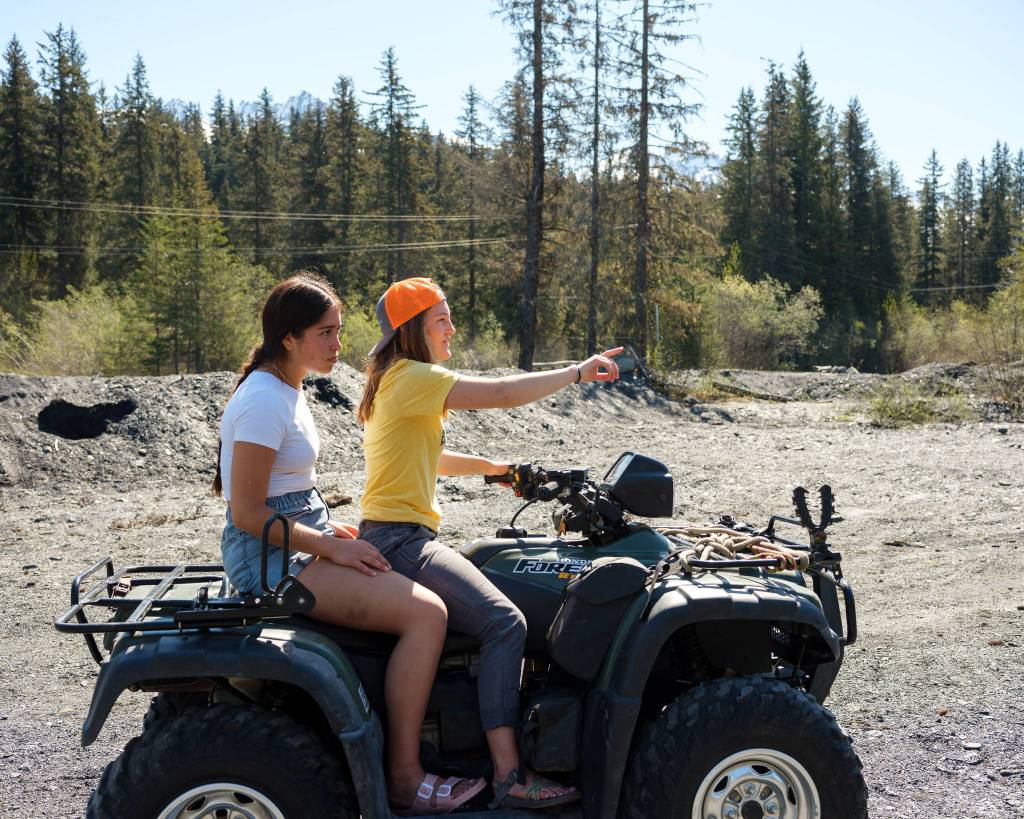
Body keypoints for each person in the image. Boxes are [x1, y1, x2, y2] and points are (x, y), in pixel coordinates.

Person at [214, 272, 486, 815]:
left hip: (294, 541)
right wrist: (328, 548)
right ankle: (405, 778)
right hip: (268, 558)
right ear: (288, 338)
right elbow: (246, 513)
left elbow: (285, 492)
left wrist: (329, 531)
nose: (339, 344)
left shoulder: (286, 386)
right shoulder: (265, 399)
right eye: (325, 333)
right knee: (426, 615)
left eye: (338, 330)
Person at [357, 276, 622, 809]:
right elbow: (500, 394)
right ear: (413, 329)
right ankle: (509, 776)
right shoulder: (414, 376)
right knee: (506, 622)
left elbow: (428, 458)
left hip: (394, 533)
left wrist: (496, 469)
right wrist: (575, 372)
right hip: (400, 540)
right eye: (441, 319)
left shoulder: (396, 380)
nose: (452, 328)